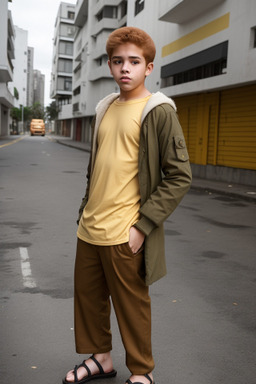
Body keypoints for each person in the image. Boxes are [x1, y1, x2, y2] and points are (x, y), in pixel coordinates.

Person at [63, 26, 192, 384]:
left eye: (134, 62)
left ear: (148, 68)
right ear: (109, 65)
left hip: (126, 230)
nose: (125, 68)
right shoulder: (104, 107)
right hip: (90, 227)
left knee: (132, 306)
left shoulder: (159, 111)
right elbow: (99, 168)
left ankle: (142, 371)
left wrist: (142, 226)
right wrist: (83, 212)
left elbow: (179, 176)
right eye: (118, 61)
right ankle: (101, 359)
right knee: (89, 300)